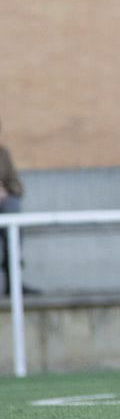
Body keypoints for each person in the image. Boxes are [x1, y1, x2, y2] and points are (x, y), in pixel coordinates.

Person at [0, 117, 28, 296]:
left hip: (3, 211)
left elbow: (18, 187)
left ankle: (14, 283)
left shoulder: (3, 154)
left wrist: (5, 193)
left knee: (13, 207)